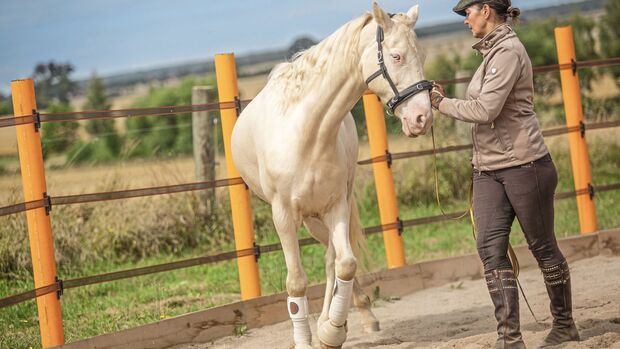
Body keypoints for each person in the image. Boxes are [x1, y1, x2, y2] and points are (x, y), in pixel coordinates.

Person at [430, 1, 581, 348]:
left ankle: (564, 324)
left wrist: (440, 102)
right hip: (489, 169)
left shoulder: (508, 52)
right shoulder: (490, 55)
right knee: (489, 248)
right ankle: (509, 338)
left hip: (525, 165)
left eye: (466, 11)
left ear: (485, 9)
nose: (464, 19)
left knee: (543, 247)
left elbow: (485, 109)